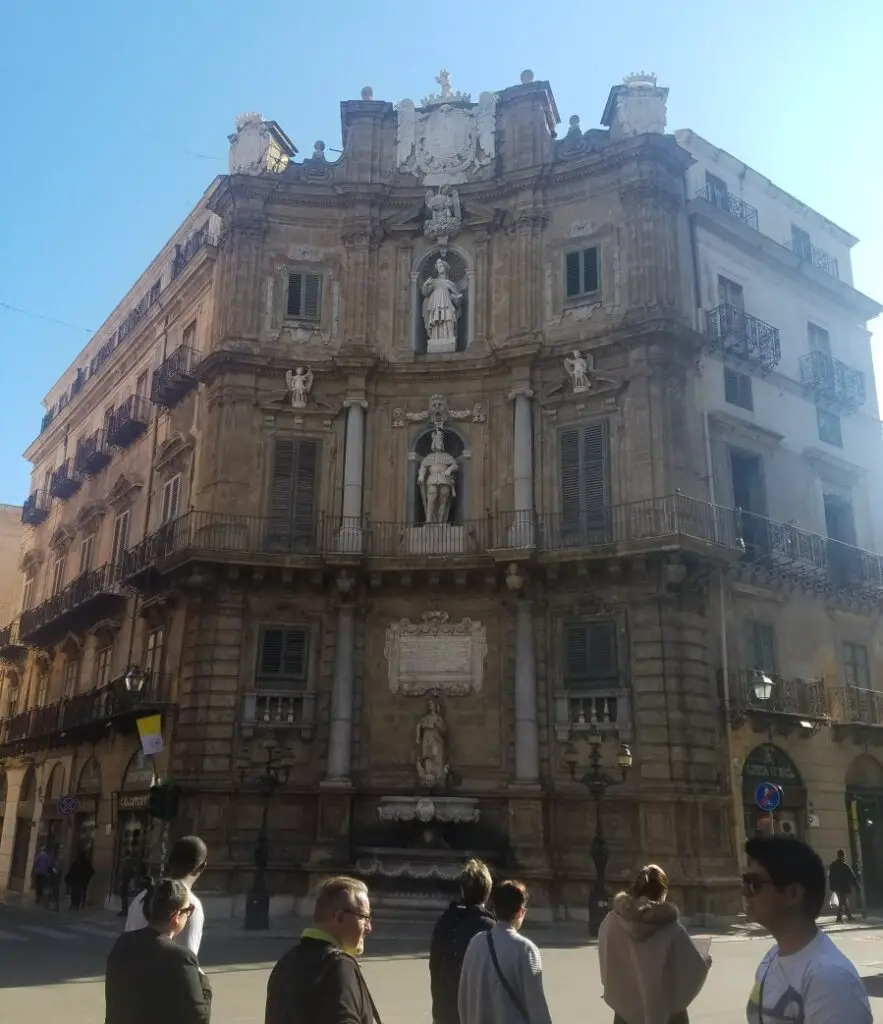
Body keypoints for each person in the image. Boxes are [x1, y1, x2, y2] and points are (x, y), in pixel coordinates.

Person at [744, 835, 871, 1023]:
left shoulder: (831, 979)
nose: (744, 892)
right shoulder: (771, 959)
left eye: (754, 883)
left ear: (793, 893)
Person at [598, 863, 710, 1024]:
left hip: (624, 1014)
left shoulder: (610, 923)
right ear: (663, 892)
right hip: (669, 1016)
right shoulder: (672, 929)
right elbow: (693, 972)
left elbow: (606, 966)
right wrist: (705, 961)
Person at [265, 875, 381, 1024]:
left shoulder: (286, 962)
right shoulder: (338, 965)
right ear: (339, 917)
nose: (369, 928)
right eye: (364, 917)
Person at [105, 877, 211, 1024]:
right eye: (188, 910)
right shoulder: (181, 957)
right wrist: (204, 983)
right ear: (176, 917)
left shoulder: (124, 942)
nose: (188, 915)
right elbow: (199, 1016)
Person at [458, 879, 552, 1024]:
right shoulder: (526, 950)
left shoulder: (475, 943)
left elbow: (463, 999)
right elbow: (537, 1008)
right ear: (521, 912)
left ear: (494, 909)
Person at [430, 858, 496, 1024]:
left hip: (445, 1010)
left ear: (462, 890)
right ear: (488, 891)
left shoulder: (445, 920)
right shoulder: (490, 928)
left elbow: (434, 965)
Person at [126, 837, 207, 956]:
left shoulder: (141, 898)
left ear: (168, 861)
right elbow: (187, 963)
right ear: (202, 867)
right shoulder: (190, 906)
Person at [828, 849, 858, 924]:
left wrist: (832, 886)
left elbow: (830, 877)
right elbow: (851, 877)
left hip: (836, 887)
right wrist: (856, 886)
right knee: (842, 901)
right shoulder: (844, 866)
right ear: (843, 856)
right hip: (844, 886)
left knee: (844, 900)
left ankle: (848, 915)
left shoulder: (833, 865)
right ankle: (839, 917)